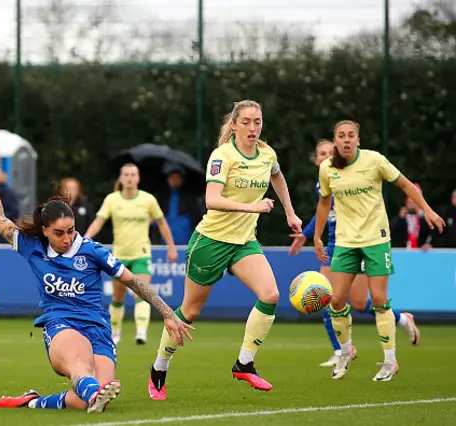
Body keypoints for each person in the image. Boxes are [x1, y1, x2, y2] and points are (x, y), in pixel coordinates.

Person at [0, 141, 192, 413]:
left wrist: (166, 312)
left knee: (90, 400)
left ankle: (33, 402)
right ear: (44, 231)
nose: (67, 238)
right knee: (82, 369)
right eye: (59, 233)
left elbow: (133, 281)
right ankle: (93, 390)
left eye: (71, 230)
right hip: (61, 323)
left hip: (98, 328)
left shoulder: (92, 251)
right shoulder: (32, 248)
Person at [148, 99, 302, 401]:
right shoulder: (222, 156)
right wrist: (253, 206)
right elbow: (212, 200)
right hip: (211, 242)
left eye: (257, 121)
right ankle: (159, 368)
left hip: (244, 242)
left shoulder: (267, 154)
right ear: (234, 125)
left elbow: (277, 175)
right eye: (246, 122)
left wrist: (290, 211)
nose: (253, 127)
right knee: (189, 312)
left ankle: (244, 363)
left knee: (270, 295)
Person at [313, 120, 444, 382]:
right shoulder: (328, 169)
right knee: (337, 301)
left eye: (351, 135)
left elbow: (407, 185)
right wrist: (316, 236)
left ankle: (390, 361)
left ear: (358, 140)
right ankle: (345, 353)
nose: (347, 140)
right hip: (345, 242)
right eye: (341, 136)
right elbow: (324, 204)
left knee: (379, 299)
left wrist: (427, 209)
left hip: (375, 240)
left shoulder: (374, 161)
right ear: (335, 140)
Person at [289, 140, 420, 368]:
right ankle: (341, 350)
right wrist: (308, 235)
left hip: (357, 242)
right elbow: (322, 212)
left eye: (331, 152)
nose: (328, 156)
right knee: (327, 298)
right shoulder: (324, 181)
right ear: (316, 160)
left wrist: (308, 234)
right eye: (322, 153)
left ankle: (401, 318)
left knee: (359, 303)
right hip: (334, 245)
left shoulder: (351, 176)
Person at [84, 163, 178, 346]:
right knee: (118, 298)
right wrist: (85, 238)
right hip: (119, 255)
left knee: (142, 293)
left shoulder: (148, 199)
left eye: (133, 174)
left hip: (141, 253)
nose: (129, 178)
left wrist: (171, 247)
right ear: (120, 178)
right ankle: (115, 333)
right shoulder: (112, 200)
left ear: (138, 178)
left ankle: (141, 332)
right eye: (126, 174)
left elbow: (162, 224)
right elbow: (99, 221)